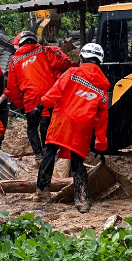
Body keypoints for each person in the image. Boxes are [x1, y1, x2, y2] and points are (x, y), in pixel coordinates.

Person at [34, 43, 110, 213]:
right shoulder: (103, 90)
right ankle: (81, 200)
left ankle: (42, 191)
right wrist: (100, 143)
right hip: (81, 126)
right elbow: (102, 119)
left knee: (50, 152)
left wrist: (41, 106)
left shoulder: (72, 73)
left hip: (62, 119)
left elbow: (55, 92)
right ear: (100, 62)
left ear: (82, 58)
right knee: (77, 162)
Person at [0, 31, 73, 164]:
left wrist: (21, 107)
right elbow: (64, 64)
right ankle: (49, 152)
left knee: (31, 128)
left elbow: (13, 88)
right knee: (46, 124)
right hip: (49, 97)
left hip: (30, 99)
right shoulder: (46, 51)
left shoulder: (15, 60)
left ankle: (38, 155)